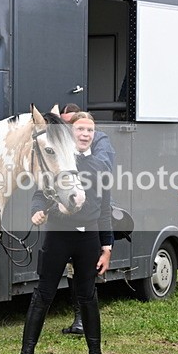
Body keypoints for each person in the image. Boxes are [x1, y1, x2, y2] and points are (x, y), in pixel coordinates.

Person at [17, 111, 113, 354]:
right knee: (43, 295)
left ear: (94, 135)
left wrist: (107, 247)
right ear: (72, 133)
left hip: (89, 238)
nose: (84, 134)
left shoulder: (100, 165)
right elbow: (39, 194)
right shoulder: (60, 160)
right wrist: (37, 210)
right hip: (58, 236)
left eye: (89, 131)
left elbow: (105, 208)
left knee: (88, 297)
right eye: (80, 129)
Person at [58, 103, 116, 335]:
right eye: (70, 125)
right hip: (67, 219)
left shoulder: (101, 141)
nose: (79, 131)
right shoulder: (66, 147)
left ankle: (84, 319)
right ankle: (78, 318)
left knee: (86, 270)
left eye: (82, 126)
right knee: (72, 270)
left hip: (93, 211)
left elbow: (104, 166)